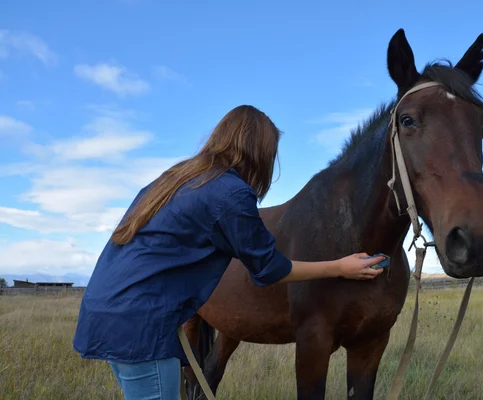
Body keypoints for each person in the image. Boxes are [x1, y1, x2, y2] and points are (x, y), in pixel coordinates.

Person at [72, 105, 385, 399]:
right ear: (259, 152)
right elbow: (269, 269)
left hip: (107, 312)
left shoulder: (177, 178)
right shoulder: (230, 192)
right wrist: (340, 268)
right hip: (141, 326)